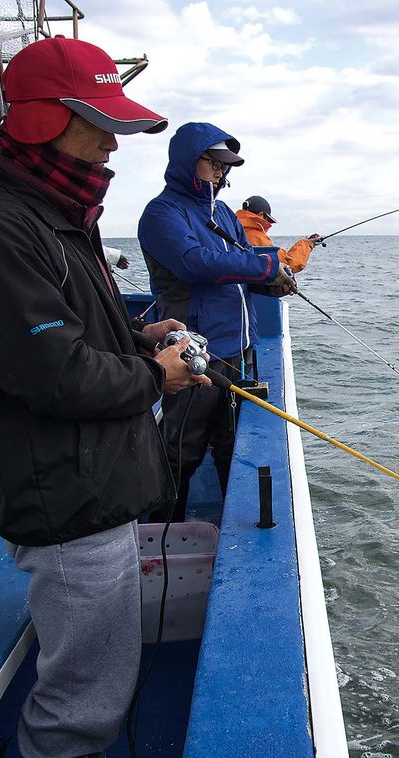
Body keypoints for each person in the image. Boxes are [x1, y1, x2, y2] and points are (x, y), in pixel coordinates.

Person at [0, 36, 206, 758]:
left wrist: (135, 336)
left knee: (102, 657)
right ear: (35, 120)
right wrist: (155, 375)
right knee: (84, 676)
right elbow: (49, 373)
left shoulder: (55, 207)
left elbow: (70, 332)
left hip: (90, 484)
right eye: (92, 121)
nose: (108, 140)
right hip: (65, 497)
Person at [138, 123, 295, 521]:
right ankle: (161, 529)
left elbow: (240, 263)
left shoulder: (222, 211)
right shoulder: (162, 213)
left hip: (238, 347)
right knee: (182, 448)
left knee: (231, 440)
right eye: (214, 162)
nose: (221, 172)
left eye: (227, 166)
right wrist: (268, 263)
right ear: (191, 161)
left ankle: (229, 522)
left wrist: (270, 283)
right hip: (196, 348)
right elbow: (195, 263)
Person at [235, 195, 322, 273]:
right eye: (267, 220)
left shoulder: (231, 229)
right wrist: (307, 244)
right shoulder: (257, 237)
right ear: (261, 215)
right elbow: (288, 265)